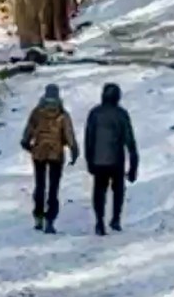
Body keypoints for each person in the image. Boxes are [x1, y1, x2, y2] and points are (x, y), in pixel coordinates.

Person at [20, 82, 78, 234]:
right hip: (56, 154)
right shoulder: (62, 115)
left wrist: (28, 146)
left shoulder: (37, 113)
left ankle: (38, 217)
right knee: (53, 188)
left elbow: (27, 134)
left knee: (40, 185)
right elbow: (69, 135)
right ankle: (50, 220)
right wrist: (74, 150)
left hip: (38, 153)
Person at [84, 81, 139, 236]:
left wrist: (89, 159)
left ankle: (99, 221)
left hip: (98, 159)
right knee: (118, 190)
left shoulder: (94, 113)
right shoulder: (121, 114)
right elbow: (130, 141)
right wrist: (133, 166)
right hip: (116, 159)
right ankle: (115, 218)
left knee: (99, 191)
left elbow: (89, 138)